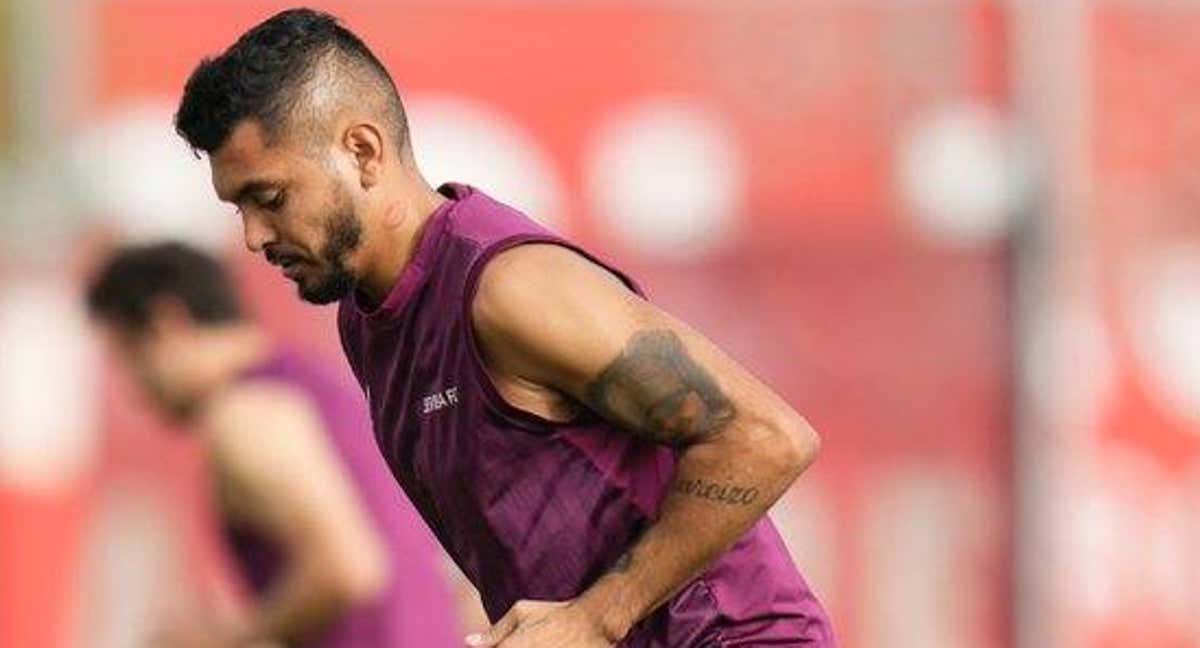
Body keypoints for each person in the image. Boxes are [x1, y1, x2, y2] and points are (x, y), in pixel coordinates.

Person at [174, 7, 835, 647]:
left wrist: (595, 618)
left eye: (270, 198)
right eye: (239, 208)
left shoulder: (507, 290)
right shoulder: (367, 320)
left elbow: (768, 437)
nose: (255, 236)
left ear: (363, 151)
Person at [86, 242, 462, 648]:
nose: (132, 389)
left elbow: (349, 567)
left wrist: (227, 639)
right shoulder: (321, 384)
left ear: (165, 323)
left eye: (124, 357)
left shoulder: (242, 414)